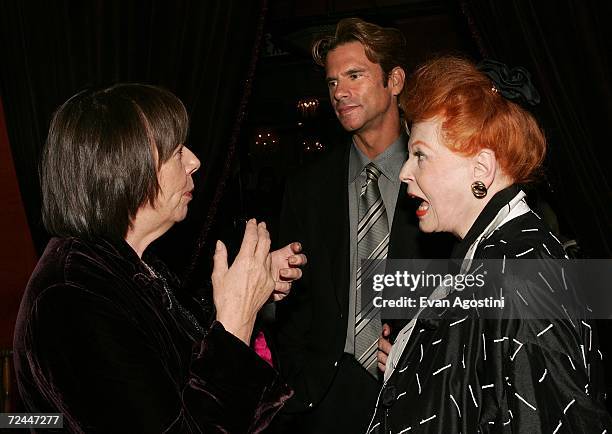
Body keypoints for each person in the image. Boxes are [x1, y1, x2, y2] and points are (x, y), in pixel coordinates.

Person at [13, 84, 307, 433]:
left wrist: (251, 291)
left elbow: (183, 370)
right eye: (175, 150)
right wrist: (236, 319)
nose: (194, 161)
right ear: (123, 167)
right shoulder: (72, 296)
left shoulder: (129, 267)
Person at [369, 56, 612, 432]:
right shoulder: (492, 254)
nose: (404, 173)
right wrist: (414, 364)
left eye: (420, 155)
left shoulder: (519, 278)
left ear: (480, 170)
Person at [273, 18, 451, 433]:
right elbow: (291, 292)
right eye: (333, 82)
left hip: (421, 389)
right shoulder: (308, 187)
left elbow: (466, 280)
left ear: (395, 80)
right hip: (326, 395)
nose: (340, 92)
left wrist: (432, 358)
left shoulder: (440, 173)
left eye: (355, 75)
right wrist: (299, 379)